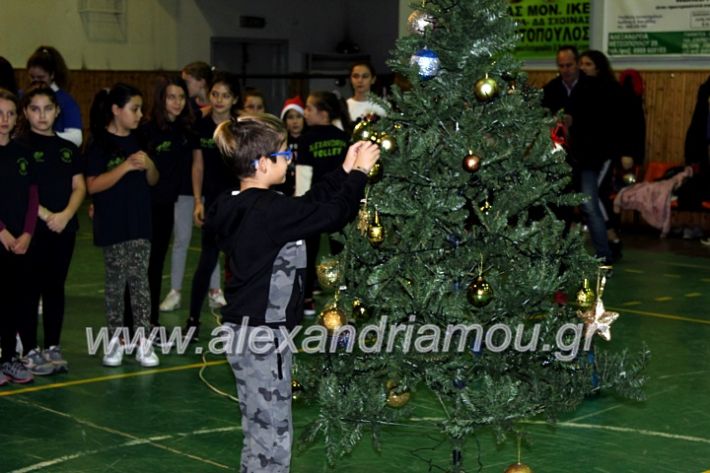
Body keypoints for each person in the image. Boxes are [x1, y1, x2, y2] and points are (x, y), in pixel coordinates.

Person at [208, 113, 380, 472]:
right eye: (284, 155)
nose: (290, 160)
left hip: (243, 330)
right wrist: (361, 175)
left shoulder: (235, 202)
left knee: (258, 434)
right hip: (263, 336)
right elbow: (332, 215)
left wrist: (343, 172)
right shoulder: (269, 211)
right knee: (274, 439)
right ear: (261, 163)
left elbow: (307, 206)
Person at [85, 83, 160, 367]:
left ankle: (143, 342)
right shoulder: (99, 143)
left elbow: (153, 180)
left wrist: (149, 164)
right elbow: (93, 184)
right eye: (134, 109)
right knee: (116, 284)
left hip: (140, 222)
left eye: (140, 109)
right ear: (116, 110)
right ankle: (116, 341)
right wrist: (125, 167)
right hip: (112, 223)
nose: (139, 114)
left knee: (140, 281)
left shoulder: (141, 138)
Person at [15, 84, 85, 375]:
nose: (42, 116)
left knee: (55, 288)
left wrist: (66, 214)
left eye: (47, 109)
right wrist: (46, 216)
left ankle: (52, 346)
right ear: (26, 113)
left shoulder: (68, 149)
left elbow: (80, 186)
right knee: (29, 289)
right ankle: (30, 348)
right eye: (35, 109)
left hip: (63, 229)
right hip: (35, 229)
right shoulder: (21, 148)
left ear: (57, 111)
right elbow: (21, 191)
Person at [542, 46, 615, 265]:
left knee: (590, 206)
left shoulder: (595, 87)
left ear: (576, 63)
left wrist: (576, 123)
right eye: (561, 66)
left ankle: (604, 257)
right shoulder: (552, 89)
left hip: (587, 157)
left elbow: (603, 122)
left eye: (569, 65)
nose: (565, 70)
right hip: (561, 159)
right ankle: (560, 258)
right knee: (561, 208)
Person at [184, 72, 241, 338]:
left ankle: (237, 318)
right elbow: (197, 166)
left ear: (234, 100)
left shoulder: (240, 127)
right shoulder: (201, 126)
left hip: (237, 202)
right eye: (215, 94)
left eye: (225, 95)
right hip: (212, 203)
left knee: (238, 262)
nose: (219, 100)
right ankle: (193, 321)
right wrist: (198, 201)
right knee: (206, 262)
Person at [140, 76, 195, 326]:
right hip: (148, 204)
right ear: (161, 99)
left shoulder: (186, 130)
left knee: (157, 262)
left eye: (181, 97)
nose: (177, 102)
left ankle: (150, 320)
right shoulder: (148, 129)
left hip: (170, 204)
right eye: (171, 97)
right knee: (145, 264)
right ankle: (143, 318)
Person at [295, 91, 351, 314]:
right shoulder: (343, 137)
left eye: (309, 108)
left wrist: (299, 205)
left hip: (314, 205)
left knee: (308, 252)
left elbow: (303, 176)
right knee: (341, 250)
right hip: (338, 204)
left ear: (324, 114)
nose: (305, 113)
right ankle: (344, 293)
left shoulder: (307, 139)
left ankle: (306, 297)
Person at [578, 50, 631, 261]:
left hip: (603, 154)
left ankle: (610, 241)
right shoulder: (581, 88)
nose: (583, 67)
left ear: (598, 67)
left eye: (588, 64)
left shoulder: (611, 90)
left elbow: (622, 124)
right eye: (581, 63)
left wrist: (625, 152)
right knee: (593, 198)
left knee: (593, 198)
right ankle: (610, 239)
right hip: (583, 154)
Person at [0, 88, 37, 385]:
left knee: (14, 299)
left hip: (19, 243)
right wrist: (1, 232)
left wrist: (27, 232)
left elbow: (33, 198)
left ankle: (10, 358)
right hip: (1, 238)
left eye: (10, 114)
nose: (4, 119)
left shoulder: (23, 153)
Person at [26, 46, 83, 147]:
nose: (35, 81)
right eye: (32, 77)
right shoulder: (25, 96)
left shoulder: (66, 101)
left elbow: (77, 138)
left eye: (41, 77)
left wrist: (46, 136)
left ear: (52, 75)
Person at [271, 96, 306, 196]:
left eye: (299, 116)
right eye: (290, 117)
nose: (295, 121)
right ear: (284, 121)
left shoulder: (309, 140)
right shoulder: (280, 141)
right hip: (284, 186)